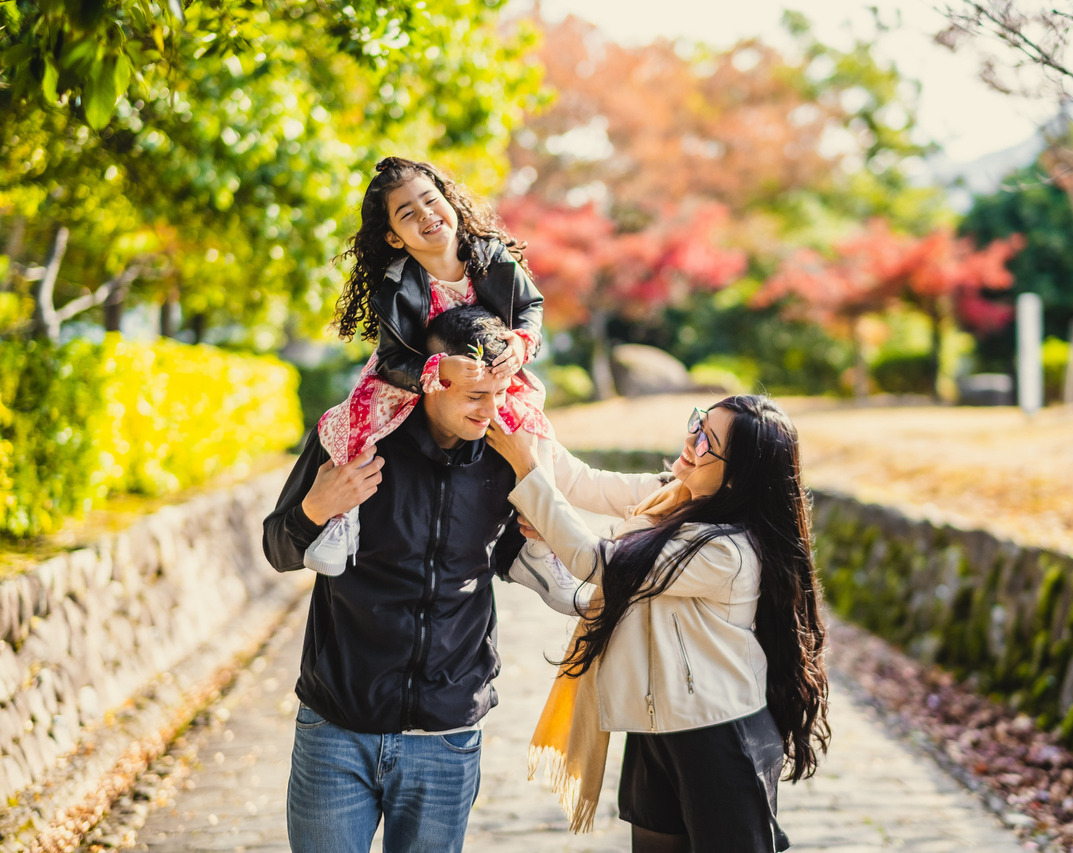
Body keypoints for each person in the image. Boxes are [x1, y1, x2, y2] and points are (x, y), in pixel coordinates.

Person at [263, 306, 666, 853]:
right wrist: (315, 508)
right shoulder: (359, 438)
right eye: (474, 395)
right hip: (337, 727)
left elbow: (564, 501)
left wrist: (530, 539)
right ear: (430, 380)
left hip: (447, 735)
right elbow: (278, 548)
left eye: (500, 392)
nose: (493, 410)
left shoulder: (507, 452)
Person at [487, 395, 832, 853]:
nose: (692, 440)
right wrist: (518, 409)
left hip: (719, 736)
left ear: (739, 476)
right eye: (698, 424)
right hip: (655, 731)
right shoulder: (673, 494)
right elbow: (581, 482)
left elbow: (601, 562)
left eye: (708, 441)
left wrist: (531, 476)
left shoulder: (728, 552)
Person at [303, 155, 552, 580]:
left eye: (431, 200)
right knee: (354, 420)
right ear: (395, 238)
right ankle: (343, 520)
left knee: (534, 425)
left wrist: (521, 341)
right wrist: (436, 369)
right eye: (407, 213)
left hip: (492, 372)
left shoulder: (489, 256)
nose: (425, 215)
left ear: (450, 202)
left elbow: (530, 307)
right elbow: (392, 358)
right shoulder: (399, 285)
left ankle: (536, 540)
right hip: (415, 375)